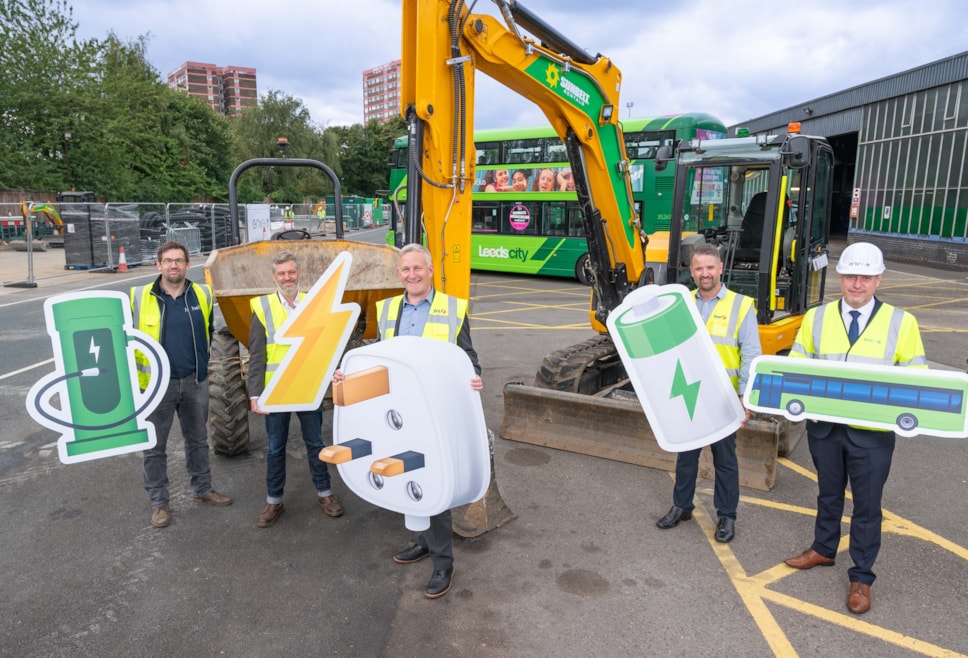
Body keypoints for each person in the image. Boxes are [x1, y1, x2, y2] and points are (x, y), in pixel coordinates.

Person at [783, 242, 926, 615]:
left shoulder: (901, 322)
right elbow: (799, 364)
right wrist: (807, 403)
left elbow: (917, 379)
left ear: (878, 279)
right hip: (825, 428)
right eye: (850, 276)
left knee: (866, 506)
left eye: (865, 277)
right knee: (828, 494)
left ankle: (861, 576)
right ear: (839, 277)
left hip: (872, 435)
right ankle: (823, 549)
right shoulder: (816, 317)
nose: (857, 284)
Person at [333, 243, 482, 599]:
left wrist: (474, 377)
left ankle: (443, 562)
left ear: (430, 270)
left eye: (418, 268)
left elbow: (468, 357)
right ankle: (424, 541)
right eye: (405, 270)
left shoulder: (453, 308)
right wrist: (347, 377)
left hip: (436, 410)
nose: (412, 275)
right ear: (399, 274)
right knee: (409, 476)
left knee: (435, 482)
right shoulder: (386, 309)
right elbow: (376, 360)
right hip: (399, 410)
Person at [655, 243, 761, 543]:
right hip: (688, 392)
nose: (705, 273)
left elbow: (751, 354)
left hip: (724, 398)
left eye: (710, 268)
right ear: (692, 271)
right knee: (685, 455)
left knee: (724, 459)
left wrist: (745, 397)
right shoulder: (682, 303)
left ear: (720, 268)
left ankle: (727, 515)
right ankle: (682, 506)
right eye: (699, 268)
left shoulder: (741, 306)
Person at [130, 241, 232, 529]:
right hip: (154, 386)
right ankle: (159, 503)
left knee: (198, 441)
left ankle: (202, 489)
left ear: (188, 265)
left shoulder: (203, 294)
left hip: (193, 381)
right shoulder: (139, 297)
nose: (173, 265)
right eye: (168, 260)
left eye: (179, 260)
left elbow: (210, 331)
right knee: (154, 446)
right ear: (158, 265)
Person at [247, 252, 344, 528]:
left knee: (315, 443)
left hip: (307, 388)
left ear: (299, 273)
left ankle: (325, 494)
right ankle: (274, 501)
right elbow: (257, 355)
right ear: (274, 276)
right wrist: (255, 394)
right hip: (276, 392)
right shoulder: (262, 307)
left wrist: (333, 369)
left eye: (291, 272)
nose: (287, 278)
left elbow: (326, 344)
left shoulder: (313, 304)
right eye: (281, 274)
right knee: (276, 447)